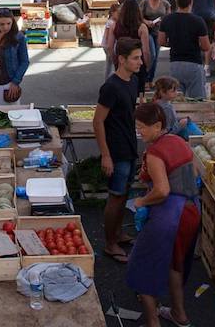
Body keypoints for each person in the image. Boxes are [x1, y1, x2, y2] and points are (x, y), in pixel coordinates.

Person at [126, 102, 200, 327]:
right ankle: (180, 315)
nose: (139, 131)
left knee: (142, 265)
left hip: (170, 217)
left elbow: (162, 190)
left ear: (158, 126)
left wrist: (141, 201)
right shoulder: (179, 141)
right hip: (191, 211)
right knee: (174, 264)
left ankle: (152, 322)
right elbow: (194, 174)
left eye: (142, 127)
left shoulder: (155, 152)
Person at [94, 37, 143, 264]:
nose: (140, 62)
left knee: (124, 193)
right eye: (135, 58)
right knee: (115, 197)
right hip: (116, 151)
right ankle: (109, 243)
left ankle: (118, 234)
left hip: (130, 147)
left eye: (140, 57)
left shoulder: (133, 81)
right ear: (122, 60)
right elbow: (98, 122)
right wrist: (106, 155)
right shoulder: (111, 87)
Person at [157, 0, 210, 99]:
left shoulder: (167, 20)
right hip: (194, 63)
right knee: (197, 101)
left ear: (176, 1)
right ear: (191, 2)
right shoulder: (198, 21)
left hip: (175, 63)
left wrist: (172, 43)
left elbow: (161, 41)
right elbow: (205, 47)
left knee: (175, 99)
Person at [0, 8, 30, 105]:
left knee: (9, 115)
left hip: (8, 84)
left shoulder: (19, 37)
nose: (6, 27)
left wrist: (16, 82)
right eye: (2, 24)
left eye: (8, 23)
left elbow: (25, 62)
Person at [106, 0, 154, 92]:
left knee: (121, 90)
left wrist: (115, 60)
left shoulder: (114, 25)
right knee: (138, 92)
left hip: (122, 62)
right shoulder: (142, 27)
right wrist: (147, 65)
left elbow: (109, 47)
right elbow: (146, 51)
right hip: (137, 64)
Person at [140, 0, 172, 81]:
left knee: (156, 56)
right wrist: (146, 21)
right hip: (147, 31)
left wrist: (164, 21)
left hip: (159, 32)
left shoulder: (165, 4)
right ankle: (145, 76)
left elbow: (168, 16)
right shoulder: (144, 2)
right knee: (151, 54)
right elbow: (139, 17)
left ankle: (150, 78)